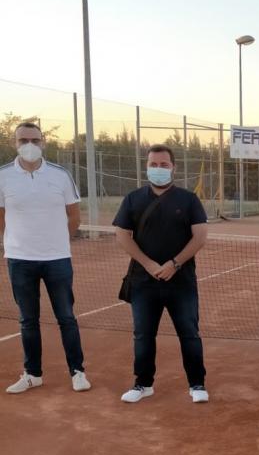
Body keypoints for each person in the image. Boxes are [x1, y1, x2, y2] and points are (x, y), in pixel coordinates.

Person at [113, 145, 209, 403]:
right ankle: (142, 384)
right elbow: (122, 236)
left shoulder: (189, 199)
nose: (158, 169)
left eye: (164, 165)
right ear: (146, 167)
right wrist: (149, 265)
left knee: (189, 333)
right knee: (143, 334)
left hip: (182, 281)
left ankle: (197, 384)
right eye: (153, 164)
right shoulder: (133, 199)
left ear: (173, 168)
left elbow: (200, 236)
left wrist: (174, 264)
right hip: (143, 282)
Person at [1, 121, 91, 394]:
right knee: (28, 320)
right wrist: (13, 243)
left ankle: (77, 371)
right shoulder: (3, 176)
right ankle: (32, 374)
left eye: (35, 140)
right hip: (19, 260)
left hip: (57, 260)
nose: (29, 145)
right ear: (14, 143)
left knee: (66, 317)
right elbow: (1, 217)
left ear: (43, 143)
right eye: (23, 140)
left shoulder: (60, 175)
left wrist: (56, 241)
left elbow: (74, 216)